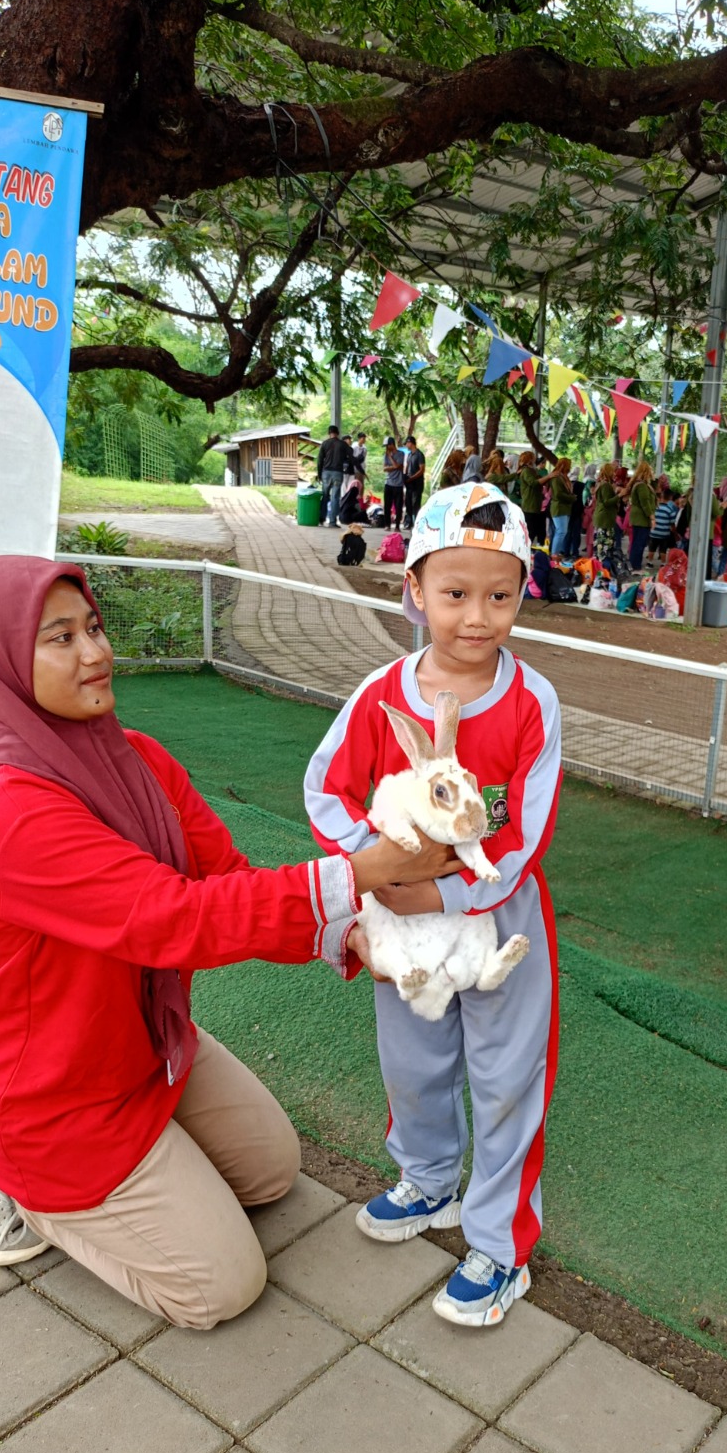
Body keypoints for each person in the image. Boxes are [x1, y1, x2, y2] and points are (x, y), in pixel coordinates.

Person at [0, 557, 458, 1323]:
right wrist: (364, 870)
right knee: (218, 1288)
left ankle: (142, 1164)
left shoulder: (134, 757)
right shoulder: (2, 812)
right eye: (60, 638)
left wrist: (355, 942)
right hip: (51, 1100)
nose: (97, 653)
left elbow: (227, 880)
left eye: (95, 628)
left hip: (144, 1041)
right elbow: (176, 920)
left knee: (273, 1173)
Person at [304, 482, 562, 1328]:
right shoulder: (382, 692)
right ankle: (427, 1180)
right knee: (413, 1059)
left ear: (523, 590)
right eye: (454, 594)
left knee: (504, 1077)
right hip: (403, 920)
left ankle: (499, 1245)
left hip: (500, 919)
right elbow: (325, 791)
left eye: (500, 593)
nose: (476, 616)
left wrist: (444, 886)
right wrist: (379, 872)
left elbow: (524, 834)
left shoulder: (532, 702)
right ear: (412, 590)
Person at [318, 425, 353, 527]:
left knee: (325, 495)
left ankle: (321, 518)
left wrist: (319, 474)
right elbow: (351, 454)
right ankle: (332, 522)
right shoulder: (342, 444)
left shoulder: (325, 443)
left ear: (329, 433)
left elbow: (320, 460)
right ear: (338, 433)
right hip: (338, 473)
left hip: (326, 473)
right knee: (335, 497)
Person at [624, 460, 657, 570]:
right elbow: (645, 502)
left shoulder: (638, 484)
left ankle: (634, 564)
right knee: (639, 543)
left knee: (637, 543)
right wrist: (652, 517)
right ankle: (635, 565)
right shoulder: (642, 486)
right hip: (641, 519)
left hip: (638, 518)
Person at [545, 456, 575, 556]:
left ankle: (555, 553)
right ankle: (554, 554)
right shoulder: (557, 477)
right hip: (559, 508)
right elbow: (557, 494)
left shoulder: (563, 477)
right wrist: (571, 498)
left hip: (564, 508)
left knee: (561, 532)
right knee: (561, 532)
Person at [517, 450, 545, 545]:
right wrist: (548, 477)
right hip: (529, 505)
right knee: (530, 530)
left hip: (534, 505)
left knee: (534, 529)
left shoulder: (532, 471)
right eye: (533, 458)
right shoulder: (526, 471)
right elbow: (533, 483)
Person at [403, 435, 426, 526]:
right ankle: (408, 522)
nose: (406, 446)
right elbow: (407, 467)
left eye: (407, 443)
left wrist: (412, 477)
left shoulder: (419, 455)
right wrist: (406, 477)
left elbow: (422, 470)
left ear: (410, 443)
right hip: (409, 484)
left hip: (417, 483)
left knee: (415, 503)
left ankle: (417, 522)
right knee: (408, 502)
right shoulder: (409, 455)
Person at [383, 437, 405, 529]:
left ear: (392, 444)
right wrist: (394, 467)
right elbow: (384, 468)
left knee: (398, 506)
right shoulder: (385, 455)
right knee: (387, 506)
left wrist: (390, 458)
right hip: (388, 483)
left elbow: (397, 465)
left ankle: (397, 526)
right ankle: (387, 524)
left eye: (387, 446)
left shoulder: (401, 454)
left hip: (398, 484)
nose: (386, 448)